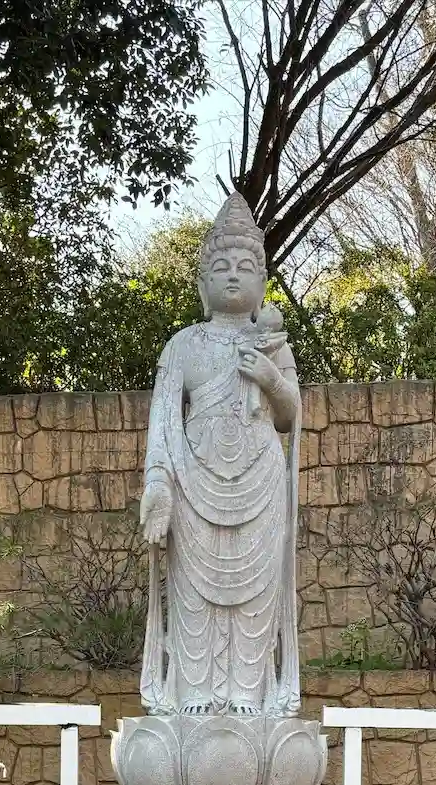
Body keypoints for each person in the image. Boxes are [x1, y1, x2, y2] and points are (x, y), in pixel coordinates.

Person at [139, 192, 302, 717]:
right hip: (194, 479)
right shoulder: (182, 345)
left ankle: (247, 693)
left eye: (245, 267)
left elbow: (290, 416)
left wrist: (271, 378)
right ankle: (195, 693)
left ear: (262, 285)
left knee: (255, 595)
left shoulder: (273, 343)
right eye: (221, 267)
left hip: (260, 477)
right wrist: (158, 485)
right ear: (202, 284)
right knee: (193, 591)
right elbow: (163, 424)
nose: (233, 275)